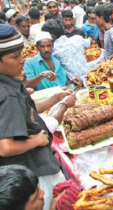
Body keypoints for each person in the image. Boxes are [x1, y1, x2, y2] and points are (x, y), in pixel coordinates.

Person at [0, 24, 70, 210]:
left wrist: (55, 98)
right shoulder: (7, 94)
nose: (22, 60)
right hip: (33, 167)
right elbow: (5, 147)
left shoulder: (10, 84)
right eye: (15, 57)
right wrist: (38, 140)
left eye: (21, 54)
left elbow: (26, 112)